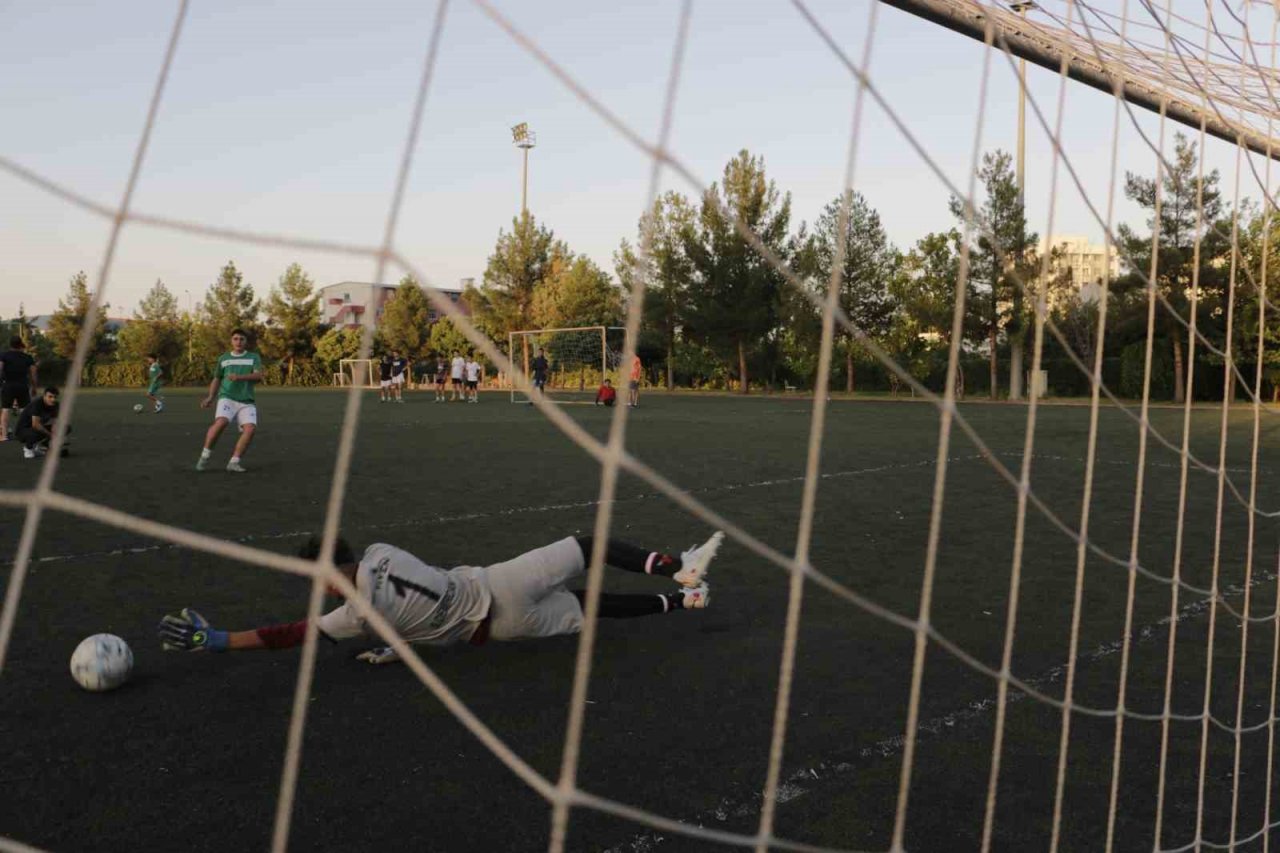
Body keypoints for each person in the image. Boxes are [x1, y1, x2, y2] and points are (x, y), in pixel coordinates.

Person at [157, 530, 723, 662]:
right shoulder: (380, 551)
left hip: (499, 627)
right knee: (588, 544)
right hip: (496, 582)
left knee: (587, 606)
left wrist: (217, 639)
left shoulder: (356, 616)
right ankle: (676, 572)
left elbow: (289, 636)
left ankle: (681, 603)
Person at [197, 329, 264, 473]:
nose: (238, 342)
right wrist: (210, 397)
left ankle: (234, 462)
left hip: (247, 400)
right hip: (227, 397)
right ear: (231, 341)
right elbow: (217, 378)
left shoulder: (254, 357)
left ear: (246, 342)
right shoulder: (224, 358)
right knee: (222, 422)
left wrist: (239, 377)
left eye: (241, 339)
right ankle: (205, 455)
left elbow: (259, 375)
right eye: (235, 339)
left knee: (250, 429)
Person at [17, 387, 70, 460]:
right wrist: (50, 435)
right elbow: (35, 425)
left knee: (65, 428)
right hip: (22, 431)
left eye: (55, 397)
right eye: (50, 396)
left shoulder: (55, 405)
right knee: (37, 432)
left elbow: (55, 422)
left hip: (36, 428)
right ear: (44, 396)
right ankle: (28, 448)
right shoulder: (37, 404)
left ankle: (43, 446)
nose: (53, 399)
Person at [1, 337, 36, 441]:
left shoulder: (4, 355)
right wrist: (34, 387)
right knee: (24, 411)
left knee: (5, 410)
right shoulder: (27, 357)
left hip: (8, 385)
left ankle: (4, 436)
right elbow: (33, 373)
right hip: (23, 386)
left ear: (10, 344)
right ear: (20, 344)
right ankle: (25, 433)